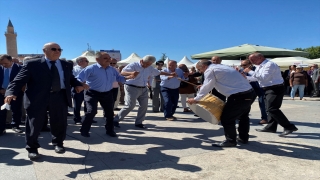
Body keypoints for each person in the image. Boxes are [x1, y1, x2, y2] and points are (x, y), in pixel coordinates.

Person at [4, 42, 85, 160]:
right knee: (34, 124)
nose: (57, 51)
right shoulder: (32, 64)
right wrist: (11, 92)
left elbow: (70, 78)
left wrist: (77, 84)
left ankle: (58, 143)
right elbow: (18, 81)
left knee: (59, 122)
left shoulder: (65, 64)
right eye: (54, 49)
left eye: (59, 49)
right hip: (37, 98)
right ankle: (32, 148)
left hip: (59, 96)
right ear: (44, 51)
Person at [188, 60, 255, 147]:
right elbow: (220, 81)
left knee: (226, 119)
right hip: (249, 93)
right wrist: (204, 85)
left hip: (239, 96)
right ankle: (243, 138)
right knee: (243, 116)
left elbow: (207, 86)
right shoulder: (222, 67)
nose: (200, 72)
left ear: (204, 66)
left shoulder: (210, 70)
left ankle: (230, 141)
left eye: (199, 69)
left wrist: (196, 99)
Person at [243, 53, 298, 136]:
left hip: (275, 88)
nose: (252, 62)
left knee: (272, 109)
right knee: (269, 108)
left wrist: (250, 71)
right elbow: (256, 78)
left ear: (261, 57)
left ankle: (289, 126)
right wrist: (245, 77)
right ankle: (271, 127)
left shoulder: (269, 64)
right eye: (251, 60)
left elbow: (264, 77)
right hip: (267, 89)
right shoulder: (260, 66)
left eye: (253, 60)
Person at [113, 55, 175, 128]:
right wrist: (131, 73)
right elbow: (123, 72)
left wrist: (170, 74)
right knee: (130, 105)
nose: (147, 66)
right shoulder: (134, 65)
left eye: (149, 64)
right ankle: (115, 120)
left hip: (143, 88)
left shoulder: (150, 67)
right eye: (146, 64)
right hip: (131, 87)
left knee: (144, 106)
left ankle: (139, 122)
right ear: (142, 61)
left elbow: (158, 72)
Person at [77, 52, 129, 138]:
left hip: (107, 93)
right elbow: (79, 78)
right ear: (97, 59)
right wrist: (82, 84)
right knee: (91, 111)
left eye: (109, 58)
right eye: (105, 58)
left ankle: (110, 130)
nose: (109, 59)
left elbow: (119, 78)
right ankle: (84, 130)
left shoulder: (112, 69)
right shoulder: (91, 68)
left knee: (109, 113)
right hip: (92, 93)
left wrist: (130, 77)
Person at [0, 55, 23, 135]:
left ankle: (15, 126)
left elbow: (22, 82)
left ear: (11, 61)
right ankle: (1, 128)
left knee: (16, 109)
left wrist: (12, 92)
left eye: (5, 63)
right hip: (1, 93)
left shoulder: (20, 68)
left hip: (15, 93)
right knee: (1, 110)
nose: (4, 65)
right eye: (1, 63)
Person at [240, 59, 268, 124]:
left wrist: (246, 76)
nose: (243, 66)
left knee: (262, 103)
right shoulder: (242, 70)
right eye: (241, 65)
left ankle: (265, 118)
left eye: (244, 65)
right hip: (250, 89)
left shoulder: (257, 69)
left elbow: (258, 78)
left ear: (250, 64)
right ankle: (242, 116)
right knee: (246, 103)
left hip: (260, 88)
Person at [72, 56, 89, 124]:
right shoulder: (74, 69)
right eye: (86, 61)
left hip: (87, 88)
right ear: (80, 62)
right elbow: (73, 79)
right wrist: (83, 84)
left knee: (87, 104)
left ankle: (88, 118)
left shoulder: (88, 69)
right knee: (77, 105)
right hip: (78, 89)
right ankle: (77, 119)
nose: (87, 62)